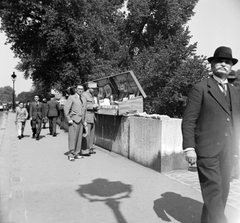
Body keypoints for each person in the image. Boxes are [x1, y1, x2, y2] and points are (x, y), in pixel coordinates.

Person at [182, 46, 240, 223]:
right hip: (207, 149)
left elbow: (236, 121)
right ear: (212, 65)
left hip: (228, 149)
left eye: (228, 62)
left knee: (222, 190)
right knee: (213, 189)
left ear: (231, 67)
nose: (223, 64)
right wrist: (189, 147)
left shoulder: (234, 91)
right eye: (219, 61)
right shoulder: (200, 88)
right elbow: (189, 120)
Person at [64, 85, 88, 161]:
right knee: (73, 137)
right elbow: (66, 108)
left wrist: (85, 122)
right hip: (73, 120)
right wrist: (68, 119)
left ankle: (77, 153)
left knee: (79, 138)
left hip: (81, 120)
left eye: (82, 89)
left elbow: (85, 111)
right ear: (76, 90)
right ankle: (71, 154)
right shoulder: (71, 97)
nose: (80, 90)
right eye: (79, 89)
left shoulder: (84, 98)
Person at [82, 81, 99, 155]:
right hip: (87, 116)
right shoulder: (84, 95)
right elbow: (83, 106)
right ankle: (85, 149)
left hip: (92, 116)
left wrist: (96, 107)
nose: (94, 90)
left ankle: (90, 148)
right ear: (89, 87)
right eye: (93, 88)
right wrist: (93, 106)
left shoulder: (91, 95)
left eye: (95, 88)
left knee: (92, 133)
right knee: (87, 134)